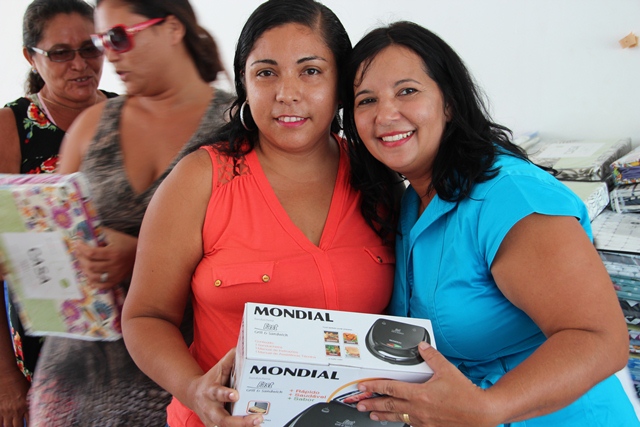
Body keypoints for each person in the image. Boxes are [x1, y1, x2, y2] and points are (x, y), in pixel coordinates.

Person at [341, 21, 639, 426]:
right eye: (366, 100)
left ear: (449, 102)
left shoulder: (510, 196)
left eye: (407, 91)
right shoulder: (412, 201)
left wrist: (489, 407)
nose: (385, 114)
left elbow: (601, 340)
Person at [121, 1, 399, 426]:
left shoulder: (379, 178)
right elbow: (145, 316)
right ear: (244, 83)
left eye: (310, 71)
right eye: (266, 73)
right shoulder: (200, 179)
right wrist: (195, 389)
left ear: (341, 83)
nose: (287, 93)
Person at [26, 0, 232, 425]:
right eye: (102, 40)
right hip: (74, 375)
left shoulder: (236, 126)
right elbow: (54, 239)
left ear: (172, 29)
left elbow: (261, 251)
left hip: (185, 375)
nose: (108, 53)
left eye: (118, 37)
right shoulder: (91, 126)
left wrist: (142, 255)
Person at [0, 1, 116, 426]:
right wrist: (5, 379)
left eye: (90, 48)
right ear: (31, 57)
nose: (80, 64)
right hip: (44, 343)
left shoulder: (132, 115)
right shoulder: (11, 127)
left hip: (132, 335)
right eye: (60, 53)